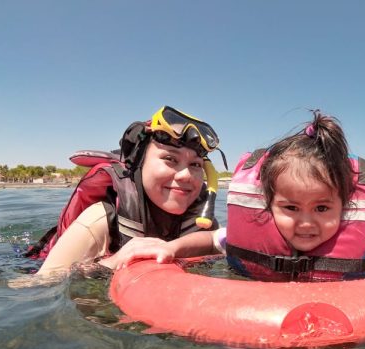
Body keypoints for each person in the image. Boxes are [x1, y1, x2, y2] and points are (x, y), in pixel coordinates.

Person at [110, 111, 365, 282]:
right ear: (268, 205)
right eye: (290, 207)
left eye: (322, 208)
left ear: (344, 207)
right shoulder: (252, 232)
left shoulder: (361, 246)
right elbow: (210, 241)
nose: (306, 222)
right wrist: (171, 248)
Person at [21, 106, 224, 282]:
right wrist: (111, 263)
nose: (186, 175)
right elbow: (33, 285)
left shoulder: (204, 225)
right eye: (170, 159)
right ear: (139, 162)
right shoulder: (101, 219)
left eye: (195, 165)